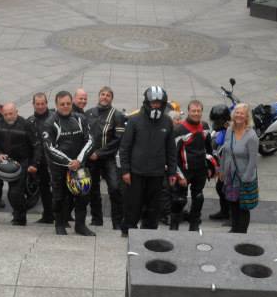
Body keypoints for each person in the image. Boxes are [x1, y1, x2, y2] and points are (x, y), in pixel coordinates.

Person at [118, 86, 177, 237]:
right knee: (133, 204)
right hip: (136, 172)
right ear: (147, 102)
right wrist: (125, 170)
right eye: (153, 102)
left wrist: (172, 171)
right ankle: (128, 229)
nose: (156, 105)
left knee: (153, 206)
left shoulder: (167, 122)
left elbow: (171, 149)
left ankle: (149, 231)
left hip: (157, 173)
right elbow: (125, 147)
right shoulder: (134, 120)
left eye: (159, 102)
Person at [41, 91, 96, 236]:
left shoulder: (81, 119)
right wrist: (68, 162)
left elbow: (90, 140)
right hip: (59, 166)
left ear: (72, 103)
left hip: (79, 164)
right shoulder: (49, 122)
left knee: (83, 195)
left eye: (68, 103)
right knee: (59, 197)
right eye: (62, 104)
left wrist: (79, 160)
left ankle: (80, 225)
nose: (65, 106)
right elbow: (49, 148)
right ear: (56, 105)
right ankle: (59, 224)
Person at [0, 103, 42, 226]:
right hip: (7, 163)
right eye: (6, 114)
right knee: (13, 192)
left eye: (11, 113)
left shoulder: (26, 125)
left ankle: (20, 216)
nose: (9, 116)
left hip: (23, 162)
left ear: (17, 112)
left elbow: (37, 146)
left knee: (15, 192)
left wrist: (34, 164)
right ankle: (19, 213)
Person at [85, 86, 127, 229]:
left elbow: (118, 139)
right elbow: (84, 136)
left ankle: (117, 222)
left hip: (108, 158)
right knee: (93, 189)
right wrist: (88, 153)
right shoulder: (88, 113)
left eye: (108, 95)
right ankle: (97, 219)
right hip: (90, 158)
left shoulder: (117, 115)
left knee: (115, 188)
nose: (105, 97)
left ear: (111, 98)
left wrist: (100, 153)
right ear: (98, 96)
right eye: (102, 94)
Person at [216, 103, 259, 234]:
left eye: (242, 113)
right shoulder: (230, 130)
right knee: (233, 203)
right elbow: (226, 152)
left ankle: (241, 233)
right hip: (230, 175)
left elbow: (253, 160)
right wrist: (222, 171)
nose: (239, 115)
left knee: (243, 207)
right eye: (237, 112)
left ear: (247, 117)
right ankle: (234, 229)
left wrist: (245, 178)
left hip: (244, 177)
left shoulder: (251, 136)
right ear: (233, 115)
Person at [170, 100, 211, 231]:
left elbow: (209, 149)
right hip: (184, 171)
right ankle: (174, 225)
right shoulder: (179, 129)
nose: (196, 113)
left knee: (198, 197)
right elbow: (173, 155)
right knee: (179, 199)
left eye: (199, 111)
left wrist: (210, 167)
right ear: (188, 111)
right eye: (193, 111)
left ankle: (194, 224)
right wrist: (179, 175)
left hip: (200, 170)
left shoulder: (205, 126)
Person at [26, 92, 55, 224]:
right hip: (39, 162)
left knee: (58, 189)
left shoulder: (55, 118)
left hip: (55, 160)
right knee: (44, 189)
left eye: (42, 103)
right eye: (37, 104)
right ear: (33, 104)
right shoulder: (30, 121)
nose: (40, 106)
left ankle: (62, 216)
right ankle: (48, 215)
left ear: (46, 104)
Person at [206, 104, 232, 222]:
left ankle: (232, 215)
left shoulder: (232, 130)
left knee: (228, 190)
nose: (215, 123)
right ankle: (225, 211)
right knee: (220, 188)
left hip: (231, 166)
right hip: (223, 163)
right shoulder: (221, 129)